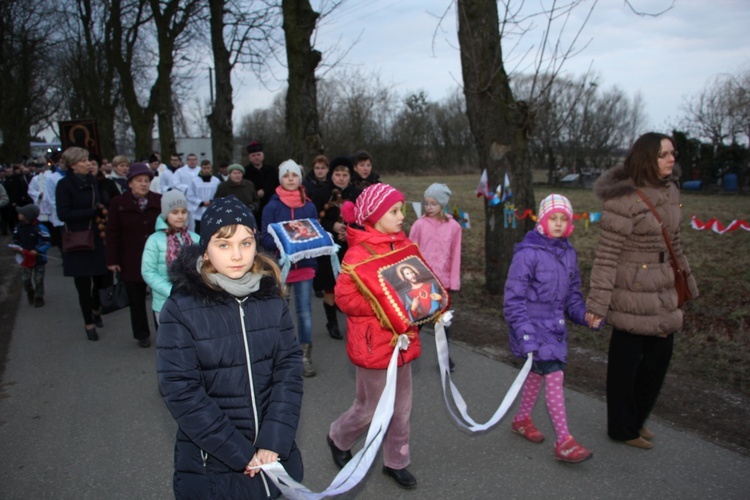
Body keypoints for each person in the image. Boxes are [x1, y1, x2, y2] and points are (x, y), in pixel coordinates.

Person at [156, 195, 303, 499]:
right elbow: (181, 390)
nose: (237, 255)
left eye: (245, 243)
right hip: (213, 464)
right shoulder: (181, 309)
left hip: (274, 456)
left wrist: (275, 440)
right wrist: (238, 452)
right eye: (223, 245)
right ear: (206, 250)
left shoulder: (273, 301)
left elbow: (288, 370)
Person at [587, 132, 699, 450]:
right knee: (625, 366)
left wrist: (686, 284)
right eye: (664, 154)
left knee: (658, 360)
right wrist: (597, 303)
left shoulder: (672, 190)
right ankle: (622, 427)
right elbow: (607, 256)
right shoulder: (624, 198)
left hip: (664, 288)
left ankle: (637, 419)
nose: (671, 159)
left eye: (672, 153)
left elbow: (675, 243)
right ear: (647, 157)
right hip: (632, 289)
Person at [327, 183, 420, 489]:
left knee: (402, 408)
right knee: (369, 408)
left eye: (401, 209)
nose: (401, 216)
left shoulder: (404, 245)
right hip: (372, 345)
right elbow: (344, 300)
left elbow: (418, 285)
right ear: (375, 217)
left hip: (402, 341)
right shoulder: (357, 255)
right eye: (394, 211)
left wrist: (427, 301)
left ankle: (396, 461)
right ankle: (339, 437)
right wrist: (384, 304)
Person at [504, 193, 600, 463]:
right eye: (552, 218)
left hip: (554, 328)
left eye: (563, 219)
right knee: (554, 375)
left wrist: (584, 316)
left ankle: (522, 419)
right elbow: (513, 300)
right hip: (531, 326)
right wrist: (525, 335)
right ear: (542, 221)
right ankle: (564, 440)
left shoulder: (568, 253)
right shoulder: (528, 254)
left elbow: (572, 295)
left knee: (538, 374)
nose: (557, 223)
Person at [261, 160, 319, 377]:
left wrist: (308, 243)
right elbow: (265, 236)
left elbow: (315, 233)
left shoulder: (309, 206)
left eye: (294, 175)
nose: (291, 179)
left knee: (304, 312)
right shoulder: (272, 206)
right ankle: (282, 355)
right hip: (282, 268)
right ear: (280, 179)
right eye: (286, 176)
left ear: (300, 178)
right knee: (281, 312)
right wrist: (285, 243)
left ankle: (305, 355)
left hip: (305, 267)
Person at [106, 163, 162, 348]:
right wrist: (112, 260)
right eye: (139, 181)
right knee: (136, 299)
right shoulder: (118, 203)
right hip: (131, 258)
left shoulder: (159, 201)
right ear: (130, 183)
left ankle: (163, 331)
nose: (143, 184)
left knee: (160, 297)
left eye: (146, 181)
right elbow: (112, 232)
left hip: (157, 258)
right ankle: (142, 333)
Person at [55, 147, 108, 341]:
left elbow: (98, 204)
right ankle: (89, 322)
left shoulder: (93, 181)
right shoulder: (64, 185)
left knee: (102, 276)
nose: (88, 163)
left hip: (95, 236)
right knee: (83, 283)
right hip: (77, 239)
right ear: (73, 165)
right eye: (84, 160)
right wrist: (90, 212)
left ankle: (96, 306)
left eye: (88, 160)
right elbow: (63, 214)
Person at [408, 183, 462, 371]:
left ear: (442, 204)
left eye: (433, 203)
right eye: (426, 203)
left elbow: (456, 255)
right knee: (418, 321)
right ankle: (406, 352)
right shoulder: (419, 225)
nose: (429, 207)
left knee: (444, 322)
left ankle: (445, 359)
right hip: (422, 282)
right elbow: (410, 253)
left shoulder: (454, 227)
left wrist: (453, 282)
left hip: (443, 282)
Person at [141, 191, 198, 327]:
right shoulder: (154, 240)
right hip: (165, 303)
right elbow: (148, 272)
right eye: (175, 212)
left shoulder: (195, 238)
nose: (180, 216)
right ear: (166, 214)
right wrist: (171, 290)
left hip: (193, 301)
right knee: (171, 342)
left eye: (184, 212)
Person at [315, 157, 355, 337]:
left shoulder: (356, 194)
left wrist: (350, 232)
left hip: (351, 246)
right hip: (329, 247)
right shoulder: (322, 194)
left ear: (349, 176)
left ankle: (354, 323)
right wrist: (332, 226)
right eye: (337, 174)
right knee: (330, 285)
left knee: (351, 286)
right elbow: (314, 222)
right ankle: (331, 322)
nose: (340, 178)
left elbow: (363, 220)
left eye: (344, 175)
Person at [11, 204, 51, 308]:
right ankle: (30, 292)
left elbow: (47, 242)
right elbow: (15, 240)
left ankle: (39, 297)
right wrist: (16, 247)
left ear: (27, 216)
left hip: (38, 258)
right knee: (25, 279)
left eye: (21, 213)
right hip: (25, 258)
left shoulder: (40, 228)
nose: (18, 215)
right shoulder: (18, 227)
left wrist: (37, 250)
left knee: (38, 279)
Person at [244, 141, 279, 220]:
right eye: (253, 155)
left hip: (270, 203)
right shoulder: (245, 172)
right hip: (253, 206)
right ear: (249, 158)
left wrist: (265, 191)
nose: (256, 157)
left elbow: (277, 185)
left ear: (263, 156)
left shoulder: (272, 170)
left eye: (258, 155)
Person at [187, 159, 220, 234]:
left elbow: (219, 194)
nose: (206, 170)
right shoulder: (195, 181)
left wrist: (212, 202)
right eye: (204, 168)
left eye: (208, 168)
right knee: (199, 230)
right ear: (201, 168)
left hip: (212, 209)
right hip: (199, 210)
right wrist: (201, 202)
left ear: (211, 168)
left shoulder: (216, 181)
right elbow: (190, 194)